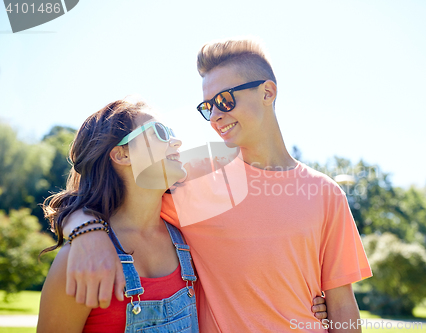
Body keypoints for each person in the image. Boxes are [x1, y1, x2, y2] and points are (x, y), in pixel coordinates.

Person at [62, 38, 371, 332]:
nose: (215, 117)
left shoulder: (326, 194)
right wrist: (86, 232)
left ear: (267, 92)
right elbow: (107, 197)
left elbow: (342, 305)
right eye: (208, 106)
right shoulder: (196, 175)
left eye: (224, 100)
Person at [37, 100, 200, 332]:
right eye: (160, 133)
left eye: (171, 132)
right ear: (122, 155)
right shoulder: (80, 258)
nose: (177, 141)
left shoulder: (191, 233)